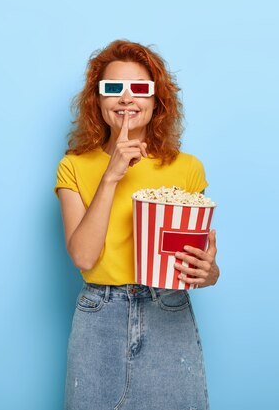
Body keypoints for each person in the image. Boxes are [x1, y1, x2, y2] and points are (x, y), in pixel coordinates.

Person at [55, 40, 219, 410]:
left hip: (168, 311)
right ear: (97, 100)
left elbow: (200, 261)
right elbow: (83, 256)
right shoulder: (74, 166)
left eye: (140, 88)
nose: (126, 98)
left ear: (157, 99)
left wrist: (209, 272)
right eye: (112, 88)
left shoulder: (187, 168)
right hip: (99, 316)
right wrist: (111, 176)